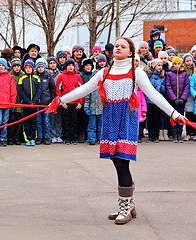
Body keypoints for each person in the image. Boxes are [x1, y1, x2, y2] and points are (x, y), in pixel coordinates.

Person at [47, 37, 186, 225]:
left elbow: (153, 94)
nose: (118, 48)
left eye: (123, 46)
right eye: (117, 45)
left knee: (122, 162)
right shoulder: (104, 72)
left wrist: (174, 113)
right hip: (110, 118)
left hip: (127, 118)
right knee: (117, 162)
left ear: (130, 52)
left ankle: (125, 207)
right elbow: (86, 89)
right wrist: (61, 100)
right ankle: (129, 203)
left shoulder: (136, 72)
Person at [55, 58, 84, 145]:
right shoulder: (61, 76)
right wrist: (62, 102)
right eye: (69, 65)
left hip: (75, 102)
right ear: (66, 67)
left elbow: (82, 90)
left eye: (72, 65)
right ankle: (66, 137)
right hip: (65, 103)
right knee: (65, 121)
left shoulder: (78, 76)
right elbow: (58, 90)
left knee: (74, 121)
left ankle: (73, 137)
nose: (71, 67)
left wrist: (80, 102)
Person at [166, 56, 189, 143]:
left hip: (181, 100)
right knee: (173, 116)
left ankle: (179, 133)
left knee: (181, 116)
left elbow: (187, 87)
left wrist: (183, 98)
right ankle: (174, 134)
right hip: (173, 100)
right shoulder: (169, 74)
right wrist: (173, 98)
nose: (176, 65)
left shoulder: (185, 74)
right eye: (175, 64)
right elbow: (168, 87)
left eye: (178, 64)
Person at [18, 59, 41, 146]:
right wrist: (27, 101)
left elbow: (39, 90)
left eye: (29, 68)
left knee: (34, 121)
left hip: (34, 104)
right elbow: (21, 91)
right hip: (25, 103)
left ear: (33, 68)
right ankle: (27, 138)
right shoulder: (22, 78)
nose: (28, 69)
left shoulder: (36, 78)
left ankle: (33, 138)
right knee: (26, 121)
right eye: (26, 68)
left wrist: (35, 100)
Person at [35, 58, 55, 145]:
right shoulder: (34, 76)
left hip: (46, 102)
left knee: (46, 121)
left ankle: (47, 136)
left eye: (42, 67)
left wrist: (52, 100)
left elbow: (52, 89)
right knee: (38, 121)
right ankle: (39, 137)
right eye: (38, 67)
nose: (40, 68)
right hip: (37, 103)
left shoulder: (48, 76)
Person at [145, 59, 166, 143]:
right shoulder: (148, 75)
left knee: (157, 119)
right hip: (149, 100)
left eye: (161, 65)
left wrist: (160, 87)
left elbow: (164, 88)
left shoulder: (163, 76)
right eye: (158, 65)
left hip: (158, 100)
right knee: (150, 118)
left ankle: (156, 136)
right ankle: (150, 136)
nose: (160, 67)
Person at [7, 57, 24, 145]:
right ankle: (10, 137)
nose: (17, 68)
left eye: (18, 66)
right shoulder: (9, 76)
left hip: (20, 102)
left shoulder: (23, 75)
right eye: (15, 66)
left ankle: (17, 138)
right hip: (11, 101)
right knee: (11, 121)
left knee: (19, 121)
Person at [182, 53, 196, 141]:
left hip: (195, 95)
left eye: (190, 60)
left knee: (194, 115)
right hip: (187, 96)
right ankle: (188, 133)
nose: (189, 62)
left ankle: (195, 132)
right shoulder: (184, 71)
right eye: (187, 61)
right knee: (188, 114)